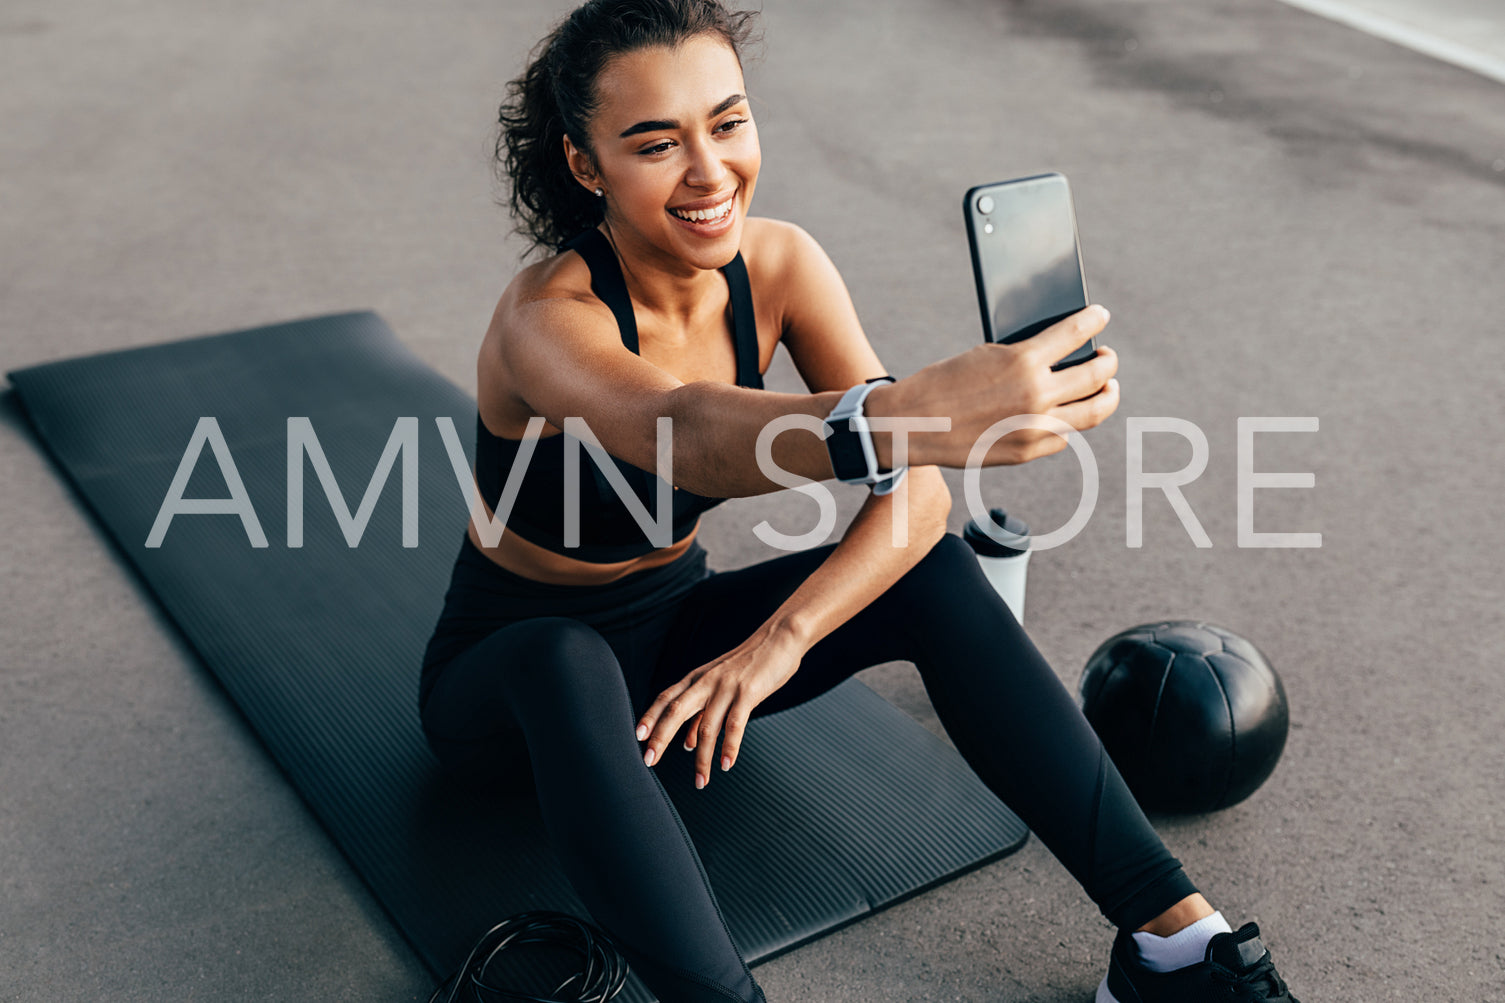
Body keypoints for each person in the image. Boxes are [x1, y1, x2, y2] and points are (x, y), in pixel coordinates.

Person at [417, 1, 1301, 1000]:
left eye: (728, 122)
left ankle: (1175, 944)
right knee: (562, 654)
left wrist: (778, 641)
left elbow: (916, 503)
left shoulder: (781, 263)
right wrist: (900, 415)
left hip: (672, 642)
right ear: (586, 166)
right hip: (507, 683)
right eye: (655, 143)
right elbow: (684, 428)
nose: (710, 173)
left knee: (935, 566)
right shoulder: (545, 318)